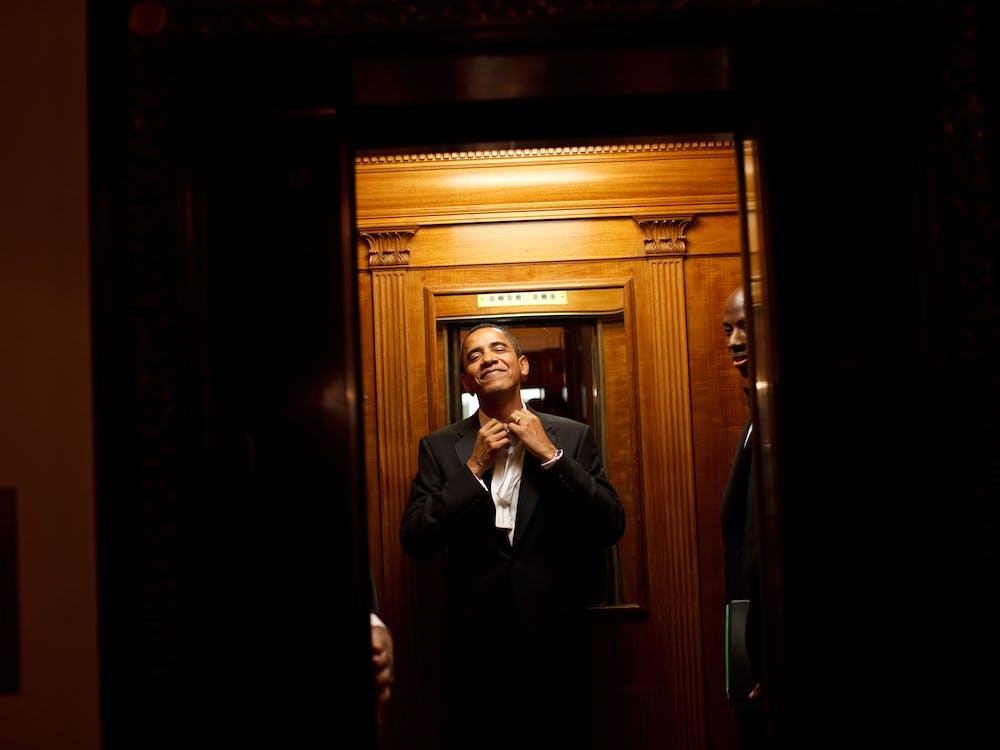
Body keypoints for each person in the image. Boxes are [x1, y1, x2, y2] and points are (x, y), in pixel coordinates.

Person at [400, 322, 625, 749]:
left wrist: (551, 456)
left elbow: (610, 523)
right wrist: (473, 469)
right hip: (475, 654)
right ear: (468, 381)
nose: (487, 357)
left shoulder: (572, 437)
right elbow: (414, 538)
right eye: (474, 355)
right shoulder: (440, 446)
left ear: (522, 366)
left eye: (498, 348)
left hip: (558, 647)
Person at [720, 285, 767, 750]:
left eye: (744, 326)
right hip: (753, 640)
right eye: (727, 330)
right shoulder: (755, 417)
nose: (734, 340)